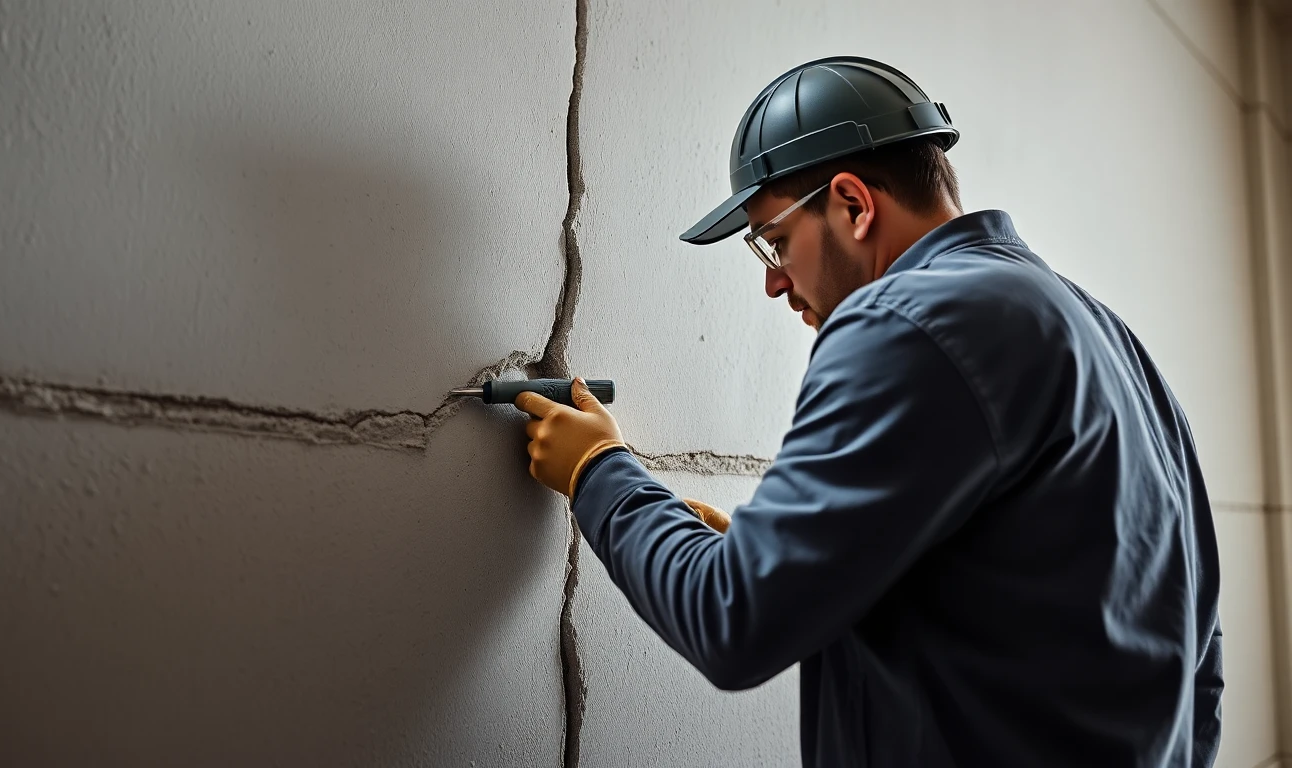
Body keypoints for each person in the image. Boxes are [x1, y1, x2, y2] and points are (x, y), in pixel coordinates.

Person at [512, 56, 1223, 767]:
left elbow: (732, 619)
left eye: (776, 240)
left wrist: (598, 472)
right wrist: (798, 561)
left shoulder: (906, 320)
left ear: (853, 204)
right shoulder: (1107, 337)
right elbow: (1198, 657)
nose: (774, 282)